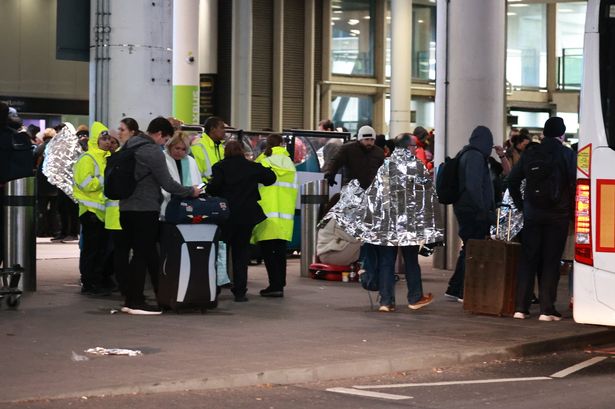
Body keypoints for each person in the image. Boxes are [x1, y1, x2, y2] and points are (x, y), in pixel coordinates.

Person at [119, 117, 200, 315]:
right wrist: (191, 191)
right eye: (165, 140)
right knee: (142, 255)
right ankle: (135, 301)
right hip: (144, 210)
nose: (164, 145)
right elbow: (167, 183)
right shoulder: (152, 151)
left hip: (126, 208)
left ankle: (141, 296)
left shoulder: (130, 145)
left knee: (143, 254)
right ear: (160, 134)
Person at [359, 133, 444, 312]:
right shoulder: (416, 166)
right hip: (409, 225)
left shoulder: (386, 166)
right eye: (414, 146)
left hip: (387, 224)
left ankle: (386, 302)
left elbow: (376, 195)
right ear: (407, 147)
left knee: (386, 262)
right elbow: (427, 195)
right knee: (411, 261)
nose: (416, 149)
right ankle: (415, 297)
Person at [508, 117, 576, 322]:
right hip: (558, 215)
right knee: (551, 260)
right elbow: (575, 183)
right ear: (561, 134)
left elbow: (512, 180)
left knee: (528, 259)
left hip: (532, 214)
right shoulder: (566, 154)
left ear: (544, 133)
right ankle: (547, 309)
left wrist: (522, 205)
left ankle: (521, 308)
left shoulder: (531, 153)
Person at [206, 141, 276, 302]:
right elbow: (270, 178)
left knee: (220, 251)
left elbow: (213, 187)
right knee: (241, 252)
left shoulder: (220, 167)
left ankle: (214, 288)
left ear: (226, 152)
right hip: (247, 216)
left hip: (226, 215)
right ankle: (240, 291)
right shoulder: (252, 167)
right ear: (242, 151)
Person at [445, 126, 496, 303]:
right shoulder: (475, 157)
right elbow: (474, 187)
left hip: (464, 208)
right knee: (473, 249)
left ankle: (454, 288)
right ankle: (464, 291)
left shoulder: (465, 154)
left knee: (468, 247)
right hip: (473, 211)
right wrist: (484, 210)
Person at [251, 134, 298, 298]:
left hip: (266, 213)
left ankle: (274, 285)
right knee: (279, 252)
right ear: (283, 144)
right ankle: (280, 283)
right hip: (284, 216)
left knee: (268, 253)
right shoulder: (290, 164)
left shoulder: (263, 162)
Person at [72, 122, 114, 295]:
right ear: (95, 140)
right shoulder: (87, 159)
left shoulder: (104, 158)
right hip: (90, 212)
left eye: (108, 139)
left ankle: (98, 281)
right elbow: (85, 183)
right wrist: (107, 181)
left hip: (101, 212)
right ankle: (89, 283)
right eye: (103, 139)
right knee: (91, 250)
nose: (107, 142)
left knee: (100, 250)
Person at [323, 125, 385, 189]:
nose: (369, 142)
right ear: (360, 139)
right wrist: (329, 174)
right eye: (366, 139)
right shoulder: (348, 149)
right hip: (351, 189)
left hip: (371, 189)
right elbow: (335, 161)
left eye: (372, 140)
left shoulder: (379, 152)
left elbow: (383, 170)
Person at [160, 131, 202, 217]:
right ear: (170, 146)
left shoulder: (191, 161)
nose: (180, 152)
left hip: (189, 206)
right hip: (166, 205)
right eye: (177, 148)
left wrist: (199, 189)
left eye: (183, 149)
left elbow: (199, 182)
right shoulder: (162, 158)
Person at [34, 128, 60, 238]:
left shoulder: (41, 147)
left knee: (42, 209)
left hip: (42, 182)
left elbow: (34, 157)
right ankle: (54, 230)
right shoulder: (58, 147)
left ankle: (41, 231)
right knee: (54, 210)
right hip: (54, 182)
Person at [191, 116, 226, 183]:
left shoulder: (220, 146)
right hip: (205, 189)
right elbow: (197, 174)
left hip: (218, 187)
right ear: (212, 129)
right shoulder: (198, 146)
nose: (224, 131)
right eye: (222, 128)